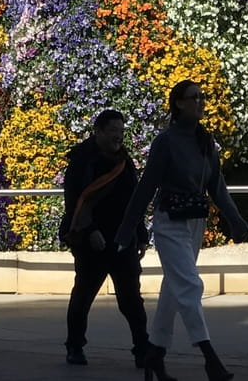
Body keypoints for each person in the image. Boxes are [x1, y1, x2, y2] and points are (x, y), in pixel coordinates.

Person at [116, 81, 248, 381]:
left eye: (203, 97)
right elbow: (146, 186)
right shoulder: (166, 142)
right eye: (195, 98)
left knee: (174, 289)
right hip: (169, 222)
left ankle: (155, 353)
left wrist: (236, 220)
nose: (201, 102)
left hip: (194, 223)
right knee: (190, 286)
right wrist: (127, 228)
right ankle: (209, 358)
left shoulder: (205, 141)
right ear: (178, 104)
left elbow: (217, 186)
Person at [59, 108, 150, 367]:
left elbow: (135, 201)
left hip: (123, 240)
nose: (118, 137)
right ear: (98, 131)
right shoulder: (81, 161)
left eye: (121, 132)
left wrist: (140, 234)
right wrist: (90, 231)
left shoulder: (125, 162)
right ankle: (74, 346)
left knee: (131, 298)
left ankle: (142, 348)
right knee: (83, 296)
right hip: (92, 244)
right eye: (113, 131)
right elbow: (75, 202)